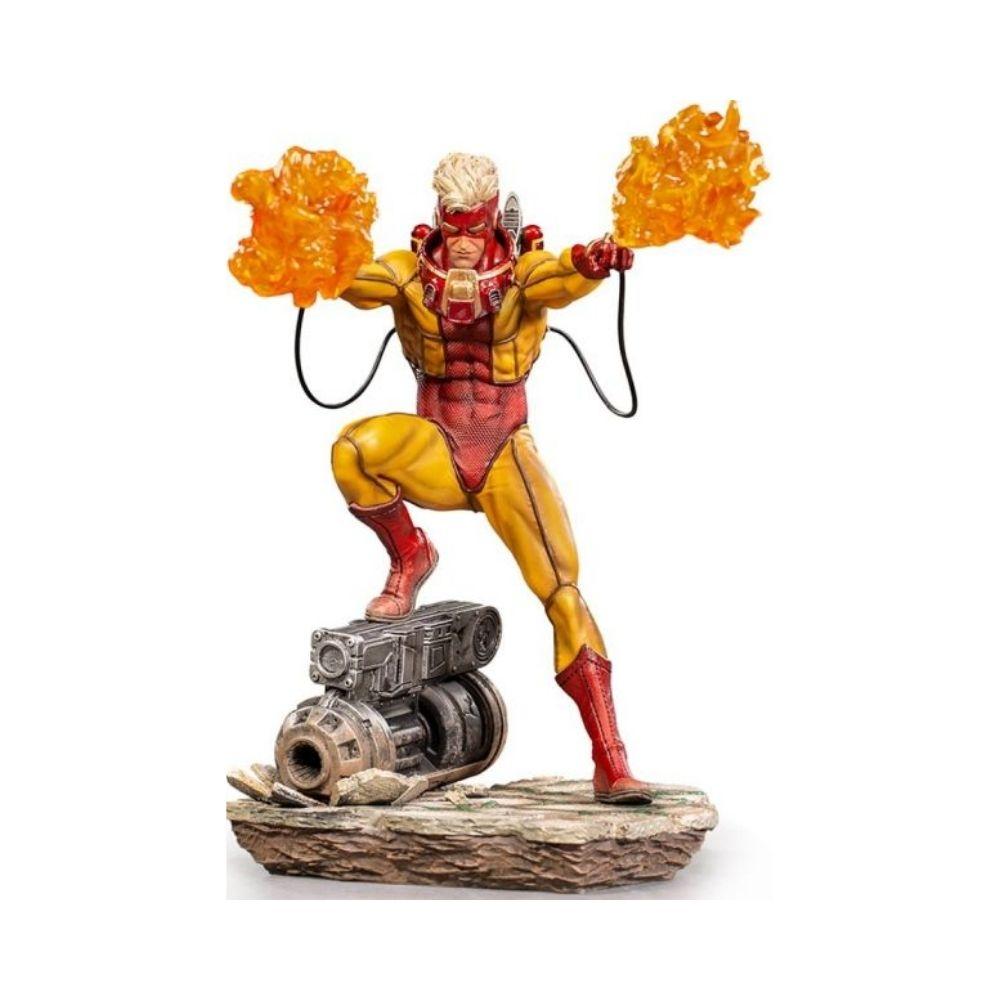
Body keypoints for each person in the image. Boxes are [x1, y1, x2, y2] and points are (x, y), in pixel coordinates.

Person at [332, 153, 651, 804]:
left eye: (475, 227)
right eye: (454, 226)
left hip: (504, 450)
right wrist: (314, 258)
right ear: (438, 216)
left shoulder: (522, 271)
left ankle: (610, 759)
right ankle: (410, 555)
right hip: (437, 446)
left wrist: (591, 263)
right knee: (353, 451)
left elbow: (557, 278)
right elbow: (355, 282)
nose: (464, 242)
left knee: (563, 591)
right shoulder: (408, 271)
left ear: (493, 216)